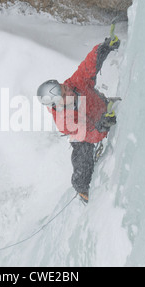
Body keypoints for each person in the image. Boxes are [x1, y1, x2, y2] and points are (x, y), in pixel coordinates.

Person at [37, 37, 121, 203]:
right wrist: (102, 126)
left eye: (64, 86)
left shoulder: (75, 84)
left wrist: (103, 48)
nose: (68, 88)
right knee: (82, 157)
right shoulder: (65, 121)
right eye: (64, 91)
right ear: (57, 102)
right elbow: (89, 134)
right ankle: (82, 188)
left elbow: (87, 67)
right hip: (90, 131)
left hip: (103, 108)